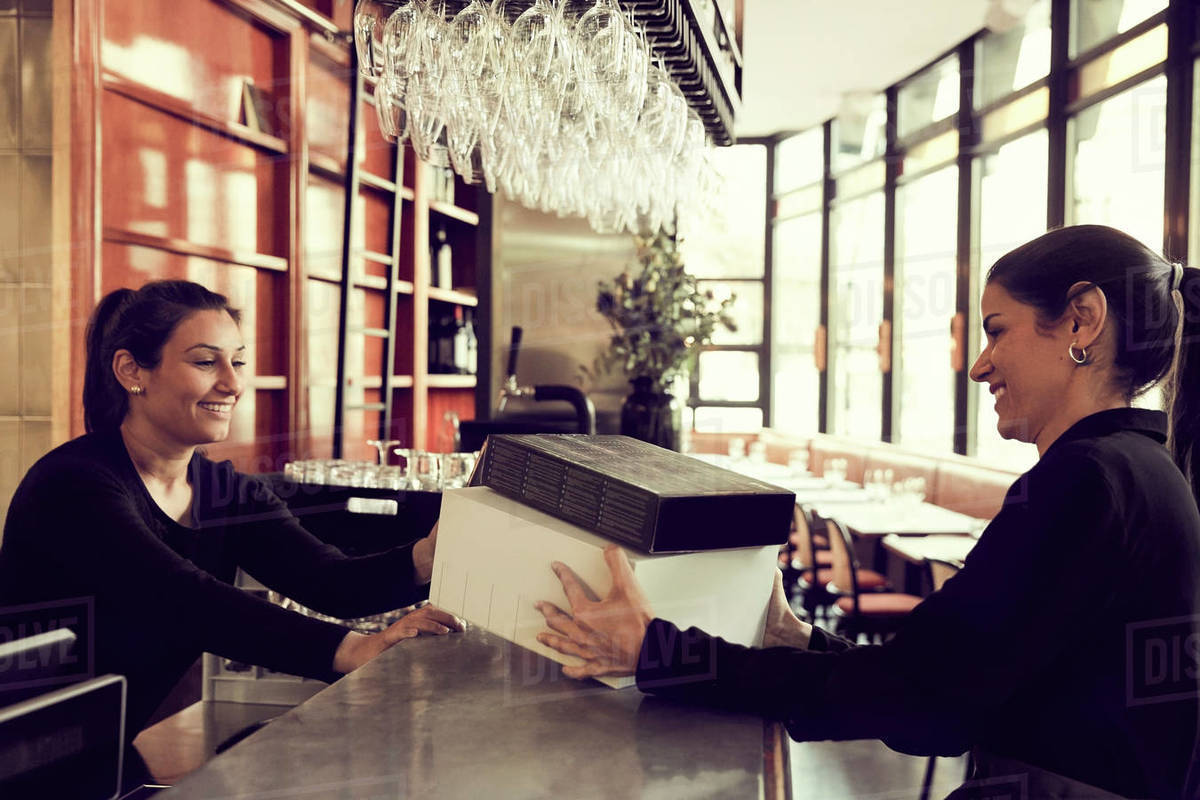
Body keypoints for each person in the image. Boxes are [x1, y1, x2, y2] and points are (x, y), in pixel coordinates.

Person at [536, 225, 1200, 799]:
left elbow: (924, 705)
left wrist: (658, 652)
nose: (979, 365)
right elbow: (945, 681)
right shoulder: (1146, 472)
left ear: (1082, 320)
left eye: (998, 331)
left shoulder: (1085, 481)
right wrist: (801, 642)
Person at [0, 280, 464, 787]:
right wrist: (350, 649)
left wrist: (427, 556)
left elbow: (329, 581)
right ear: (132, 371)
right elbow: (180, 600)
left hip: (98, 751)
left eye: (238, 362)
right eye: (205, 362)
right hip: (18, 758)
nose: (232, 384)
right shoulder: (74, 485)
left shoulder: (224, 491)